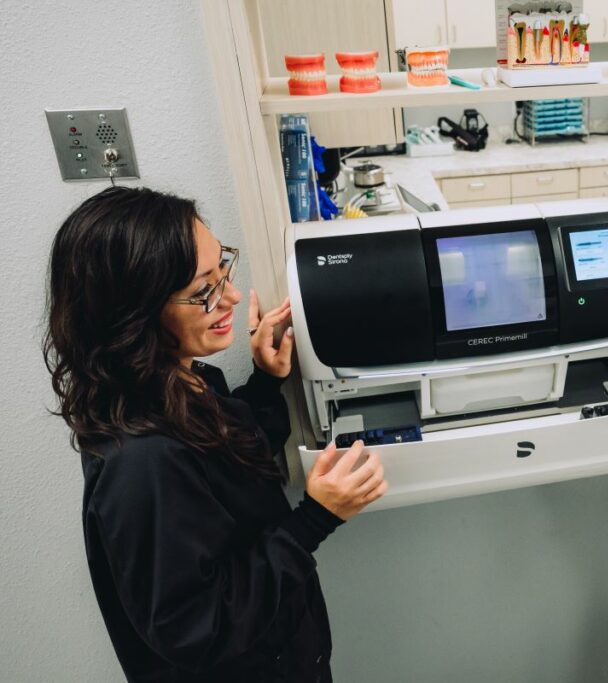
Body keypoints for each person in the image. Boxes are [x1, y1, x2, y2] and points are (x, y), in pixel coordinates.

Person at [44, 186, 387, 682]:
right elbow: (198, 628)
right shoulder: (140, 465)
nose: (229, 294)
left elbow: (224, 475)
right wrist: (314, 519)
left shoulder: (181, 381)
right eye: (203, 289)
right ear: (134, 317)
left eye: (221, 268)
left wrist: (266, 385)